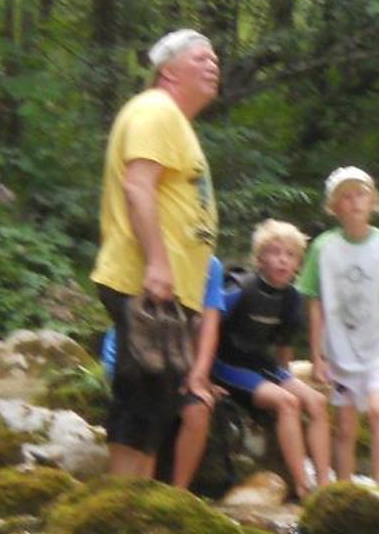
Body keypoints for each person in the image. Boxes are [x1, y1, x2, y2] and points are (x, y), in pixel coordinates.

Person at [89, 29, 220, 479]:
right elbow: (138, 185)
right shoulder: (155, 109)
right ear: (169, 71)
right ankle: (121, 500)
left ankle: (136, 499)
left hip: (168, 288)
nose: (213, 64)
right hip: (142, 279)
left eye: (214, 58)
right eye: (201, 58)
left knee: (158, 400)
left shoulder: (175, 122)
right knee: (139, 393)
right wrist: (160, 265)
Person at [300, 168, 379, 483]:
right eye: (346, 197)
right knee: (346, 426)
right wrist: (317, 356)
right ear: (334, 206)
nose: (354, 202)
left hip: (376, 346)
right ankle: (344, 486)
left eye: (361, 195)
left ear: (373, 201)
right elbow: (315, 303)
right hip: (338, 348)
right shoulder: (323, 248)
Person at [207, 220, 331, 496]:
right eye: (275, 252)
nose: (282, 260)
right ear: (260, 258)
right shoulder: (240, 288)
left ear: (298, 263)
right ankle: (302, 486)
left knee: (317, 402)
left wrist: (284, 379)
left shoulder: (291, 298)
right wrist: (203, 378)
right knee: (287, 403)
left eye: (289, 255)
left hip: (260, 364)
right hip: (225, 363)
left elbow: (283, 348)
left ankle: (325, 484)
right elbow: (206, 329)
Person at [170, 257, 232, 489]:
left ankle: (179, 493)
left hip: (182, 360)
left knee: (199, 408)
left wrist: (199, 374)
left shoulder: (210, 265)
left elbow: (208, 325)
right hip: (142, 358)